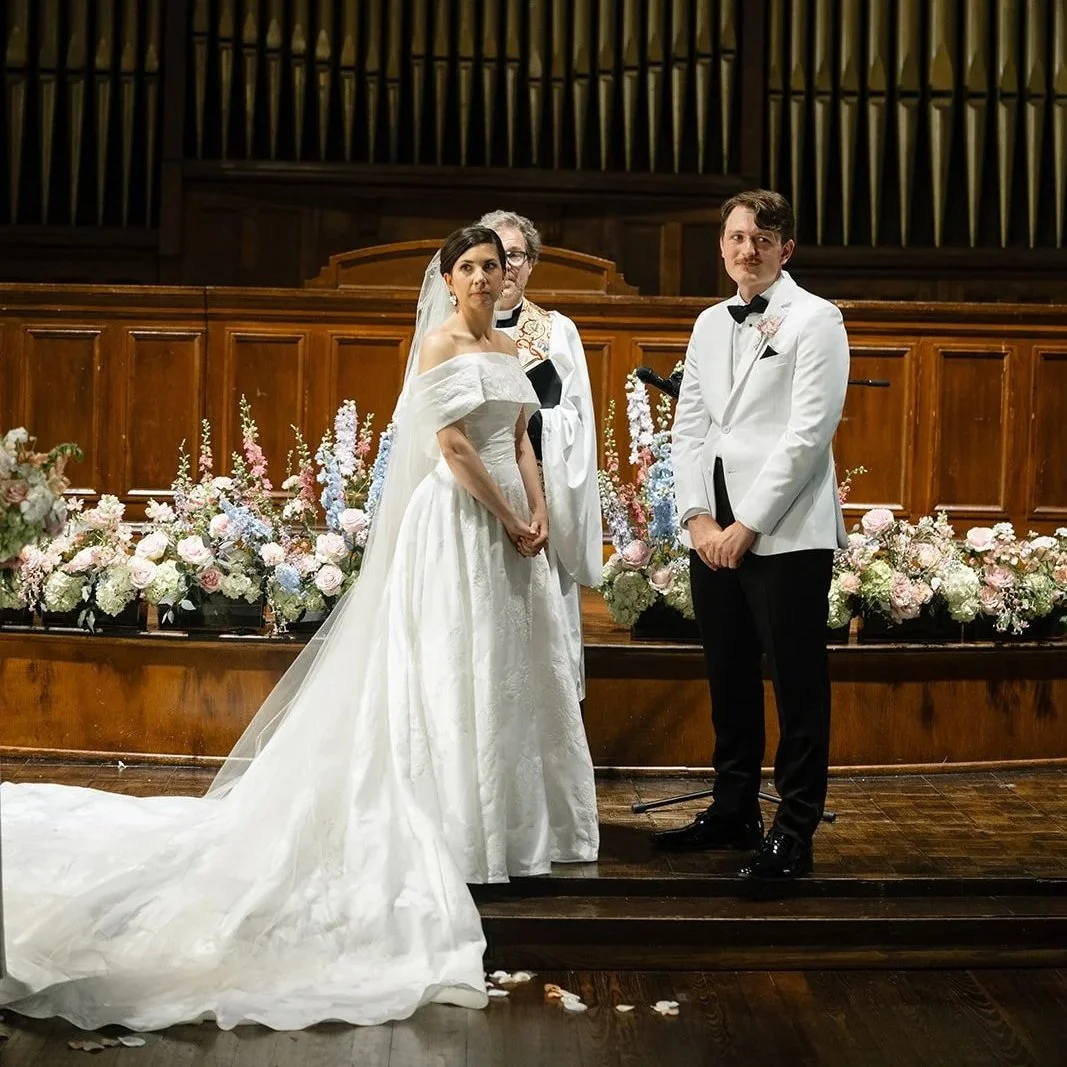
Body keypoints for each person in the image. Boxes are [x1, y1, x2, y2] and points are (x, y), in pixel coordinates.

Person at [0, 225, 598, 1031]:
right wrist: (501, 512)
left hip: (512, 532)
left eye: (494, 265)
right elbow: (453, 446)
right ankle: (466, 831)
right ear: (448, 279)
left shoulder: (509, 341)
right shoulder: (439, 341)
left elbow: (520, 437)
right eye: (470, 267)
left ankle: (522, 831)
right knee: (458, 667)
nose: (485, 277)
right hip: (458, 523)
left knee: (510, 674)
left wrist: (538, 516)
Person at [654, 190, 849, 884]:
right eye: (737, 237)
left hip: (785, 529)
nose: (747, 250)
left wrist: (747, 524)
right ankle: (733, 806)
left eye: (762, 241)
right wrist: (698, 519)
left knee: (797, 684)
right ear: (722, 245)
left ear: (784, 250)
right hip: (713, 526)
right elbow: (690, 427)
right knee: (727, 675)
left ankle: (793, 830)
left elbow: (807, 434)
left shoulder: (816, 319)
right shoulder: (709, 322)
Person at [479, 210, 602, 700]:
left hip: (538, 502)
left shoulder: (556, 332)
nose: (504, 269)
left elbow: (580, 424)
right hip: (477, 497)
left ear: (530, 264)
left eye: (514, 256)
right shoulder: (452, 334)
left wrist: (535, 423)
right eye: (494, 256)